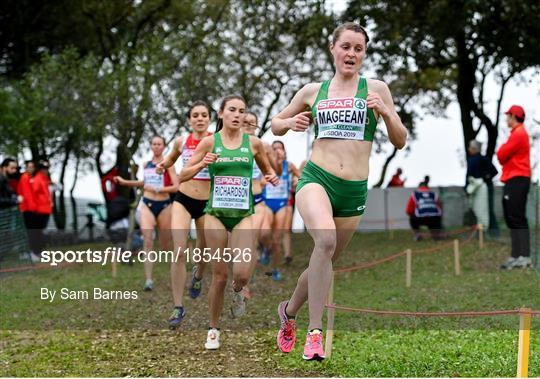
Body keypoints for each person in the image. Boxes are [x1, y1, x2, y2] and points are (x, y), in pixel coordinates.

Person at [271, 22, 407, 361]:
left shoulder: (376, 88)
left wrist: (387, 112)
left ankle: (288, 312)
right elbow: (275, 122)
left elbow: (400, 139)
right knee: (326, 241)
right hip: (316, 178)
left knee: (324, 258)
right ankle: (315, 334)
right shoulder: (311, 91)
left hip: (353, 190)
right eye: (346, 46)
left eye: (358, 49)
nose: (352, 54)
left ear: (364, 54)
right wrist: (289, 123)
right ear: (333, 49)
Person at [178, 95, 279, 350]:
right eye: (232, 110)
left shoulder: (254, 144)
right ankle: (213, 329)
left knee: (242, 274)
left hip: (243, 214)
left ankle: (239, 294)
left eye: (242, 111)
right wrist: (203, 162)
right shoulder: (210, 142)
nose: (237, 115)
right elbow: (183, 175)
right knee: (220, 276)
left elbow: (268, 170)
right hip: (215, 215)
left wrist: (272, 178)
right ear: (221, 114)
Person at [157, 100, 213, 329]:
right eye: (195, 115)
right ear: (189, 120)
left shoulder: (216, 140)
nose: (199, 118)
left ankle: (198, 276)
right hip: (183, 199)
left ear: (209, 118)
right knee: (179, 251)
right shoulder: (181, 141)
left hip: (207, 202)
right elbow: (170, 159)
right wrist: (163, 165)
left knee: (203, 250)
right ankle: (178, 306)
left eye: (203, 115)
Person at [114, 136, 178, 291]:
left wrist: (160, 189)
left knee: (165, 246)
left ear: (164, 147)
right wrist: (125, 182)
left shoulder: (169, 164)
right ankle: (149, 280)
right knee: (147, 242)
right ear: (151, 146)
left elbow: (176, 186)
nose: (156, 146)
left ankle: (176, 274)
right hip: (147, 204)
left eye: (159, 144)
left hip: (164, 205)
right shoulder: (146, 164)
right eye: (154, 144)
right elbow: (144, 183)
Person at [240, 111, 280, 294]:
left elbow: (275, 171)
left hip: (257, 199)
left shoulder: (262, 146)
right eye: (244, 122)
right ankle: (242, 276)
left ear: (257, 126)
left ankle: (245, 282)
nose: (248, 125)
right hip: (236, 201)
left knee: (252, 239)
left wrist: (270, 171)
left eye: (252, 123)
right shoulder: (230, 146)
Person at [497, 105, 532, 269]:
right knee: (512, 218)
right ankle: (516, 255)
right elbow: (502, 156)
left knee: (517, 218)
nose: (506, 119)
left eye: (508, 116)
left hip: (518, 178)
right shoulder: (516, 133)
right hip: (513, 179)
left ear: (514, 116)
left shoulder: (519, 133)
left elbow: (501, 155)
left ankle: (524, 256)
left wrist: (502, 151)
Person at [261, 141, 300, 280]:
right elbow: (255, 180)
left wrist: (296, 179)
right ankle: (266, 249)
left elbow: (301, 177)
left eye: (280, 148)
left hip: (282, 204)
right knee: (264, 233)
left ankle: (275, 269)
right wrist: (261, 182)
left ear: (284, 151)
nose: (277, 151)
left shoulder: (288, 166)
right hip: (266, 203)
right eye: (274, 149)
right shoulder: (265, 165)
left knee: (277, 240)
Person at [465, 140, 498, 230]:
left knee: (486, 210)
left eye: (470, 147)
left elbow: (494, 172)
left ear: (474, 149)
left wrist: (485, 178)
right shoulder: (472, 160)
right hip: (475, 189)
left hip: (485, 188)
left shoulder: (482, 159)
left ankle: (491, 232)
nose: (469, 149)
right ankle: (481, 232)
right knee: (479, 210)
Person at [29, 160, 53, 258]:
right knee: (37, 232)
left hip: (46, 210)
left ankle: (39, 251)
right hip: (39, 210)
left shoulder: (45, 179)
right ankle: (35, 251)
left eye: (47, 168)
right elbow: (33, 193)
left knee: (40, 231)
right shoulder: (38, 179)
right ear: (40, 169)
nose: (46, 170)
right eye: (44, 168)